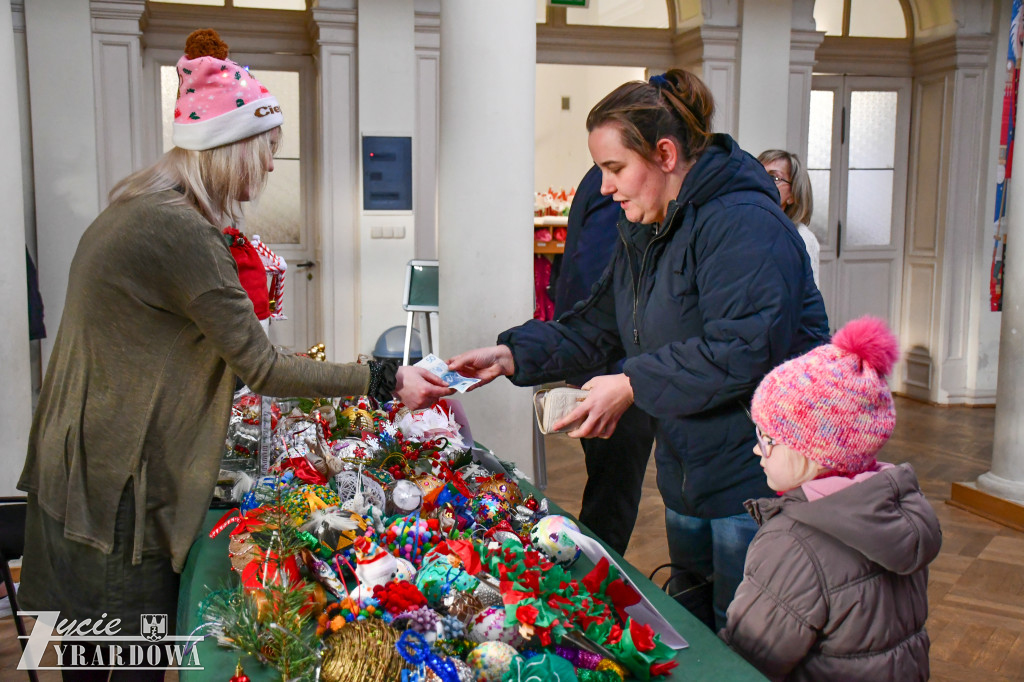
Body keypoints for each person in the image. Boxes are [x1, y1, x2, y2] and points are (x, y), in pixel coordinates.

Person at [16, 29, 451, 681]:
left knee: (94, 656)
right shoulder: (179, 230)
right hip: (112, 481)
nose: (271, 168)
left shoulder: (143, 207)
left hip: (85, 460)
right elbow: (264, 367)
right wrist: (388, 377)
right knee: (122, 660)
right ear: (232, 150)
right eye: (268, 150)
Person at [448, 70, 830, 630]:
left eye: (614, 168)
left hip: (759, 477)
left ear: (666, 154)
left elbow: (742, 348)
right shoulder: (648, 225)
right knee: (696, 627)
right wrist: (512, 354)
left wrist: (631, 384)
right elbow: (601, 324)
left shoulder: (745, 224)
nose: (603, 187)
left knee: (748, 639)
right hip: (688, 469)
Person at [720, 317, 940, 681]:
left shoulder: (792, 545)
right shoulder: (899, 509)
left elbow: (746, 663)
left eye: (767, 438)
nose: (757, 450)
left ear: (814, 450)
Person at [553, 164, 655, 556]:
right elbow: (597, 286)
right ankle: (593, 590)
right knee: (612, 496)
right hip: (614, 364)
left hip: (605, 361)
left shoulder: (600, 178)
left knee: (609, 489)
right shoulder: (616, 187)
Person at [758, 149, 820, 288]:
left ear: (792, 195)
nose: (762, 183)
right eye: (758, 174)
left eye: (774, 178)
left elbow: (808, 299)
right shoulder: (740, 227)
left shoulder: (802, 238)